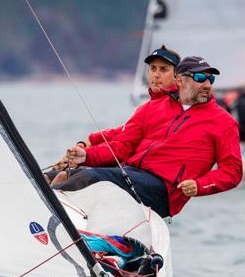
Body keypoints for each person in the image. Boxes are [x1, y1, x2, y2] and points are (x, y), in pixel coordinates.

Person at [54, 56, 243, 218]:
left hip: (165, 190)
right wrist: (86, 156)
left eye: (211, 79)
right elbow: (122, 145)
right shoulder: (152, 108)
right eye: (200, 78)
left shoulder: (223, 121)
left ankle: (54, 220)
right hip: (133, 173)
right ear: (180, 80)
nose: (207, 84)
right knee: (60, 175)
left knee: (89, 178)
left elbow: (233, 172)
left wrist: (199, 185)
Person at [46, 46, 180, 186]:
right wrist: (87, 143)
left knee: (64, 176)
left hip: (153, 181)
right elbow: (124, 131)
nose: (156, 75)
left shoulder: (177, 105)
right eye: (153, 69)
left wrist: (86, 155)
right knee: (49, 176)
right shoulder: (150, 107)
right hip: (135, 171)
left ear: (178, 76)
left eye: (163, 69)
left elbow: (122, 146)